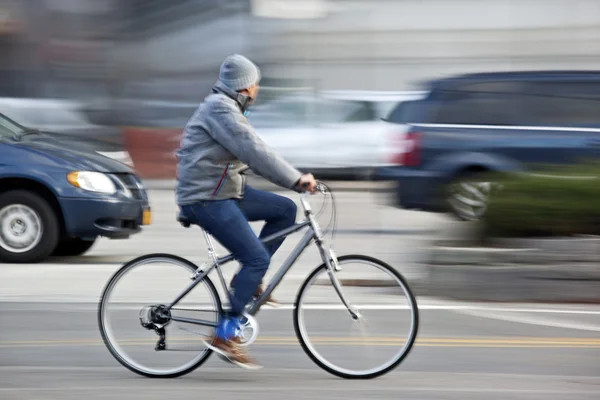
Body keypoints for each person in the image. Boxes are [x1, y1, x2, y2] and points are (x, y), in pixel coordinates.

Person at [175, 54, 317, 369]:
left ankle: (246, 280)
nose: (258, 88)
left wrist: (292, 182)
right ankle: (224, 335)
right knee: (257, 258)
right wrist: (295, 178)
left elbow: (256, 148)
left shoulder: (228, 109)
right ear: (244, 86)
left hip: (225, 191)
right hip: (205, 199)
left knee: (284, 210)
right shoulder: (220, 110)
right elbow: (254, 150)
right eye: (255, 83)